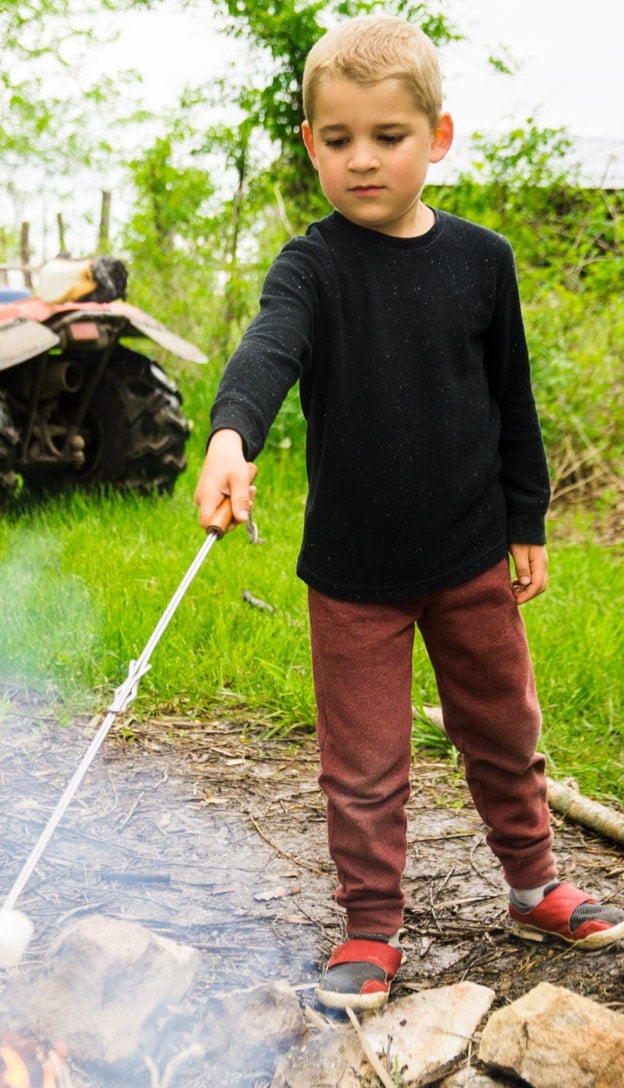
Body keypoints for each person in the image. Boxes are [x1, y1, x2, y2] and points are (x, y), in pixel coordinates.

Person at [194, 14, 624, 1011]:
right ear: (309, 145)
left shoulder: (482, 260)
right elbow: (267, 348)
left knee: (503, 731)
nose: (360, 160)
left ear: (435, 135)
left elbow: (511, 403)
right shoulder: (311, 267)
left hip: (471, 555)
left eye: (386, 138)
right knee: (363, 761)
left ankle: (530, 884)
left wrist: (527, 522)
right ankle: (369, 924)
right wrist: (229, 437)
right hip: (352, 575)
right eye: (335, 140)